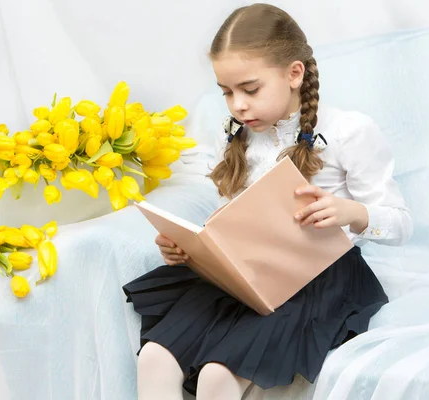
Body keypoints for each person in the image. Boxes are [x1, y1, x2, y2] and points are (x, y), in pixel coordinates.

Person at [122, 3, 413, 399]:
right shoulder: (238, 134)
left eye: (250, 89)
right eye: (226, 92)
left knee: (217, 375)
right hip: (250, 271)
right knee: (154, 356)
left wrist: (353, 213)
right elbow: (236, 216)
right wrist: (191, 248)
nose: (238, 105)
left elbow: (399, 222)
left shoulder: (349, 131)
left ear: (294, 73)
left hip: (319, 277)